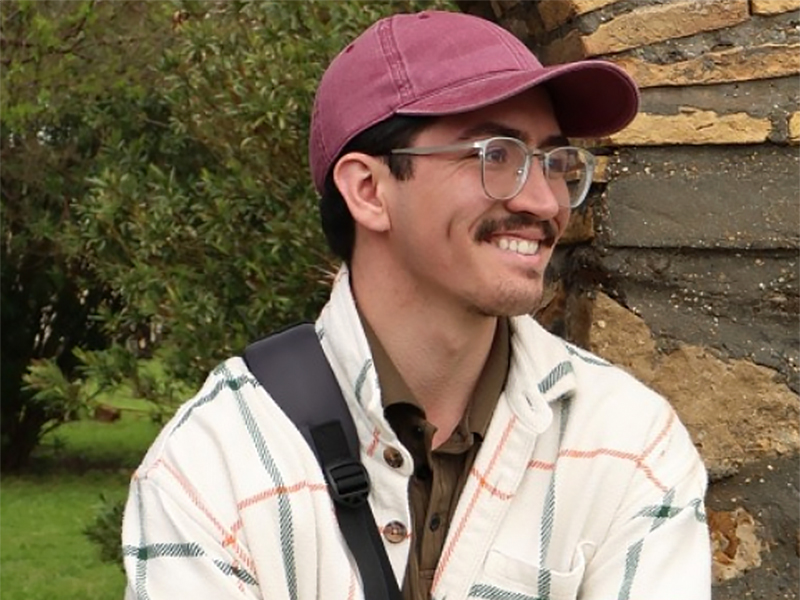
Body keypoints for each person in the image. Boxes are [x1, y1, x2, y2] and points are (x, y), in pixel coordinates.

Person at [122, 9, 711, 600]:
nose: (544, 201)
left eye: (555, 163)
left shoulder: (627, 442)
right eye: (496, 155)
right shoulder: (216, 463)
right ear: (369, 190)